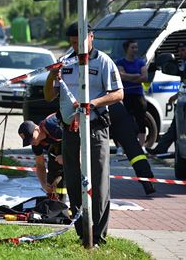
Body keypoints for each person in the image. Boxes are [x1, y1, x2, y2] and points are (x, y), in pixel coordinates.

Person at [45, 22, 124, 246]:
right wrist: (52, 75)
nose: (75, 47)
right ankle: (82, 232)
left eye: (78, 42)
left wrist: (92, 104)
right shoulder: (66, 61)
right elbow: (50, 96)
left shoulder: (103, 61)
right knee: (72, 180)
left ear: (91, 37)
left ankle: (98, 235)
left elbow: (119, 94)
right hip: (70, 130)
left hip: (96, 127)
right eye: (71, 43)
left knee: (98, 182)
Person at [147, 41, 186, 155]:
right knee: (176, 127)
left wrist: (177, 96)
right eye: (179, 51)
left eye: (183, 50)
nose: (180, 53)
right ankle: (171, 151)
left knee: (177, 127)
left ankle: (165, 150)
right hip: (185, 99)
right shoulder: (184, 64)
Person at [18, 114, 67, 202]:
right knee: (53, 178)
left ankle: (81, 207)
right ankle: (59, 206)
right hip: (60, 150)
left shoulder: (54, 127)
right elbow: (40, 164)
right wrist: (44, 184)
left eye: (31, 138)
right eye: (28, 141)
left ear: (37, 129)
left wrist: (67, 157)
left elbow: (80, 139)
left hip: (78, 144)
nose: (32, 143)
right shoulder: (36, 143)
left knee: (76, 174)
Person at [116, 39, 148, 149]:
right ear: (127, 49)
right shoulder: (120, 62)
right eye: (132, 47)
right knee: (124, 121)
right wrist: (136, 75)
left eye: (136, 47)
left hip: (138, 95)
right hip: (126, 95)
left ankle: (141, 146)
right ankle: (121, 147)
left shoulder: (141, 62)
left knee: (141, 120)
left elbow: (144, 77)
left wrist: (128, 76)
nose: (135, 50)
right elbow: (120, 75)